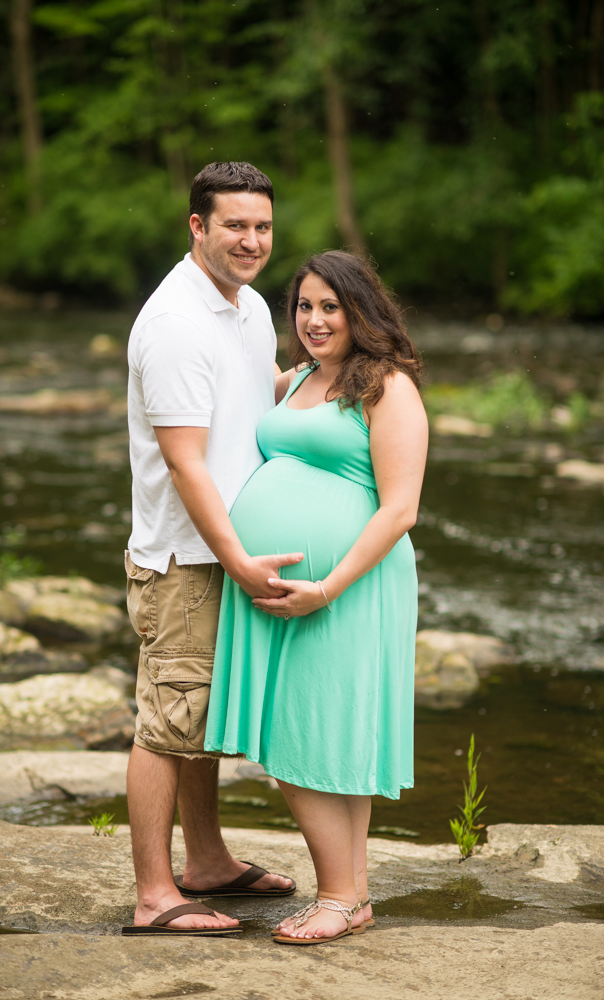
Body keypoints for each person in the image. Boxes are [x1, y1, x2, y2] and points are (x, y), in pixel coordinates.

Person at [204, 250, 428, 944]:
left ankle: (334, 895)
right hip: (285, 594)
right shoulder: (295, 378)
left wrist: (325, 588)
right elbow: (221, 394)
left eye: (330, 305)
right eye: (303, 305)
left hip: (347, 590)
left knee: (307, 732)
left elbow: (398, 511)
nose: (314, 319)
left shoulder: (385, 386)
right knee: (319, 731)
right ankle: (351, 896)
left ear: (360, 309)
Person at [122, 162, 298, 937]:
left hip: (223, 547)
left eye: (261, 226)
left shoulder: (249, 305)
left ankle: (208, 863)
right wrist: (235, 559)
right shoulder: (173, 324)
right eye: (234, 225)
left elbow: (255, 395)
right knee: (168, 724)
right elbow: (186, 461)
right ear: (196, 226)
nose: (251, 240)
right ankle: (156, 897)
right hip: (189, 556)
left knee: (200, 717)